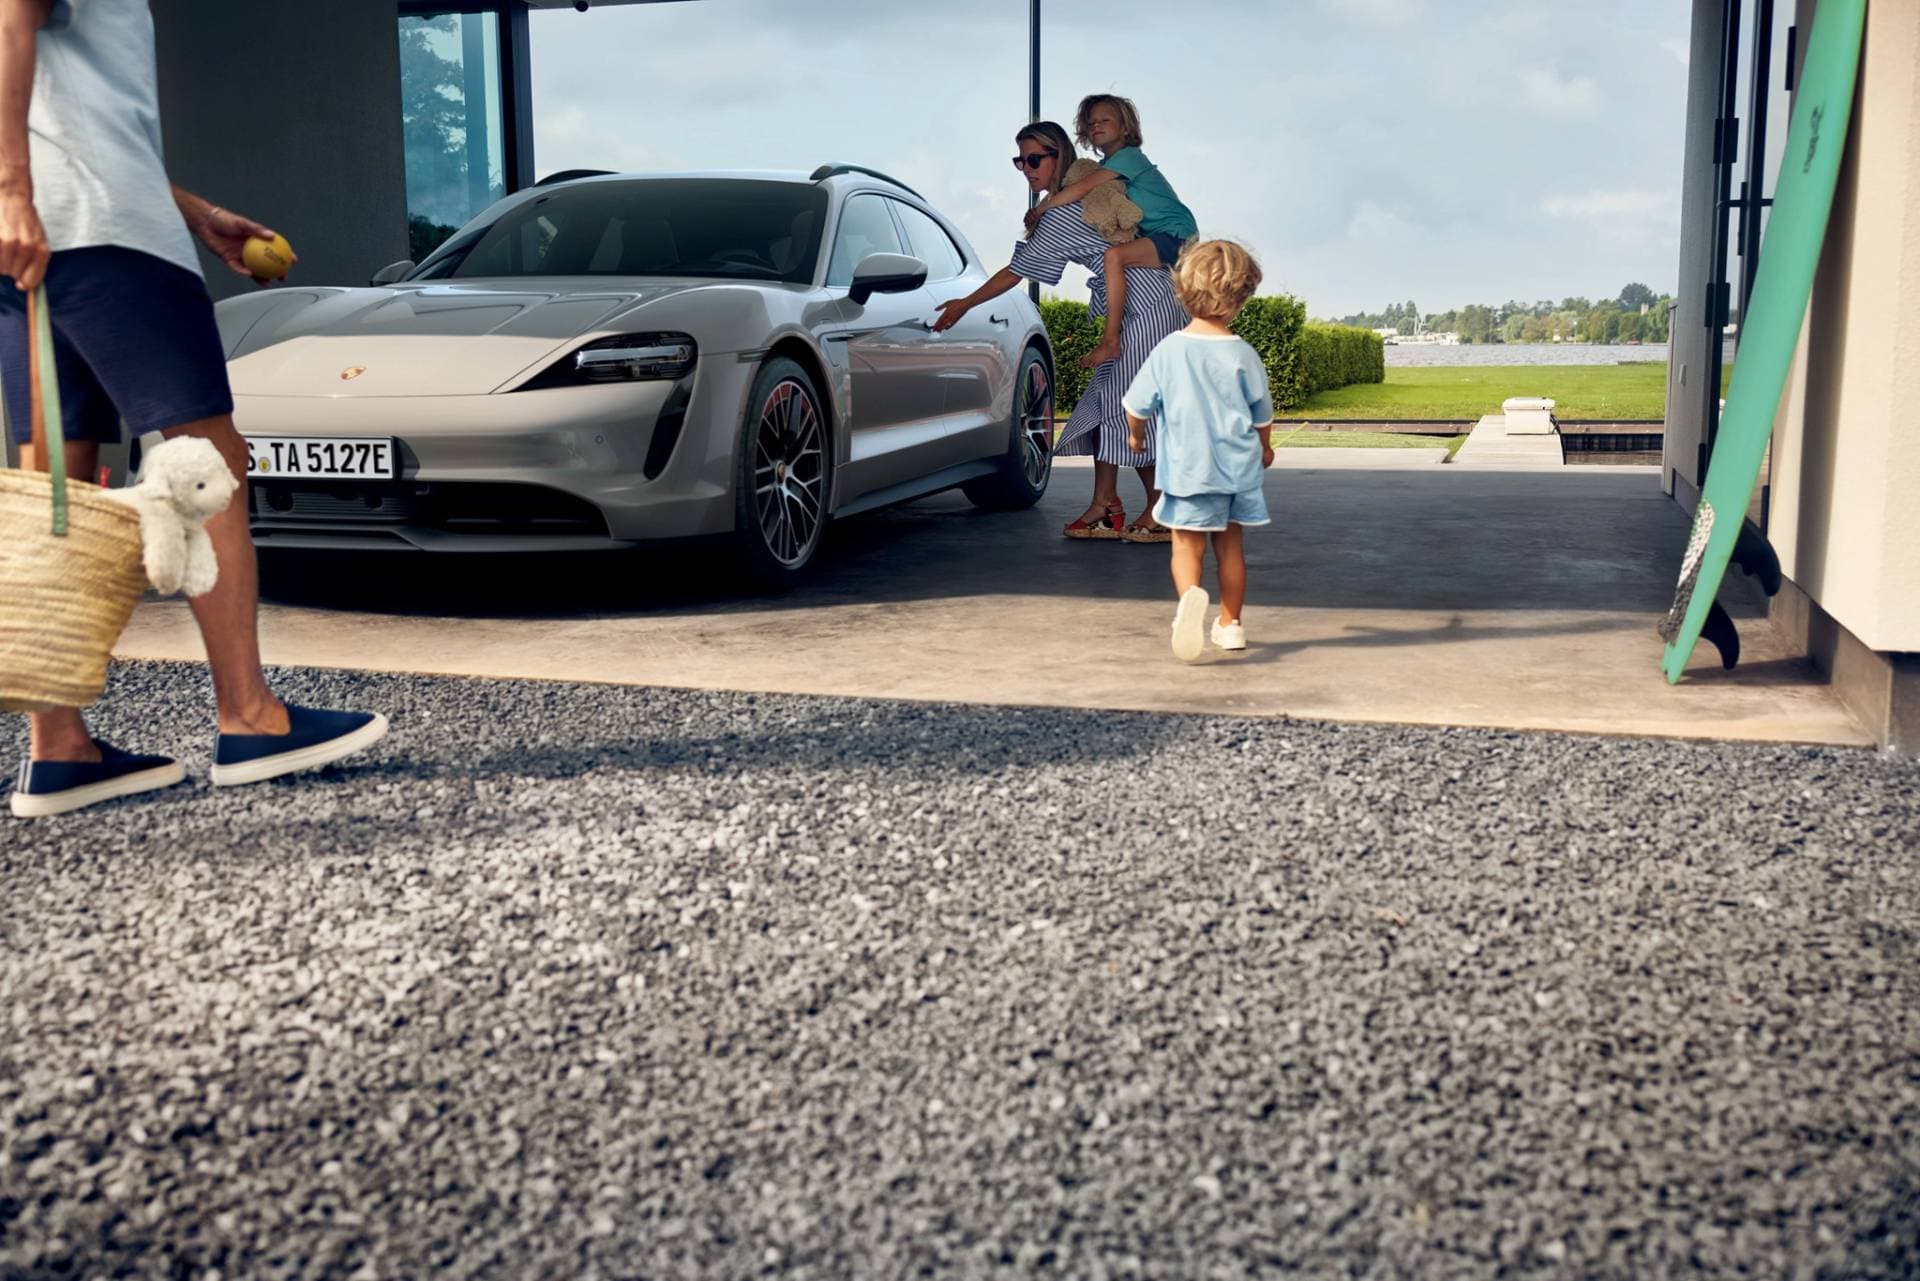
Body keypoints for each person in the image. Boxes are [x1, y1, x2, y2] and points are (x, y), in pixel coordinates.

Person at [1, 0, 386, 818]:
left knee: (54, 493)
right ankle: (251, 717)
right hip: (109, 240)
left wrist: (196, 211)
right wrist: (13, 190)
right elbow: (12, 21)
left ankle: (60, 749)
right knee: (213, 464)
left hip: (45, 241)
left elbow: (69, 119)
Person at [933, 119, 1186, 544]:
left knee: (1131, 407)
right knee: (1104, 404)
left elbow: (1015, 272)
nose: (1027, 168)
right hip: (1133, 304)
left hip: (1148, 306)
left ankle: (1164, 507)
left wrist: (964, 304)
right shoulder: (1070, 202)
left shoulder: (1061, 211)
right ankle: (1105, 505)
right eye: (1020, 161)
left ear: (1058, 155)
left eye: (1035, 159)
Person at [1122, 239, 1274, 662]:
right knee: (1231, 548)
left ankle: (1190, 599)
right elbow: (1261, 414)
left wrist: (1136, 437)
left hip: (1188, 470)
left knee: (1186, 547)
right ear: (1242, 296)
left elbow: (1137, 406)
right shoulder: (1243, 353)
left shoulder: (1169, 351)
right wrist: (1265, 447)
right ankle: (1231, 625)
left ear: (1182, 290)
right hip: (1237, 470)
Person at [1026, 94, 1197, 371]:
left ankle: (1110, 340)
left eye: (1105, 120)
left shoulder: (1128, 158)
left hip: (1177, 235)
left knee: (1114, 258)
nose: (1096, 126)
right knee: (1117, 258)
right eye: (1091, 123)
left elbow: (1080, 189)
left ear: (1126, 128)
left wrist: (1043, 208)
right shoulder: (1107, 167)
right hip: (1161, 235)